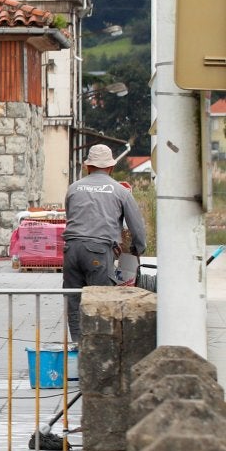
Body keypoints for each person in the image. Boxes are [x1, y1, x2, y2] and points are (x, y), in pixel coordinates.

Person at [62, 144, 148, 342]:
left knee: (74, 301)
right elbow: (137, 227)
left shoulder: (73, 188)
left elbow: (70, 216)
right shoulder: (120, 191)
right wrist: (137, 249)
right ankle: (98, 347)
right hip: (98, 252)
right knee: (101, 303)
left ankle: (77, 345)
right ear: (111, 167)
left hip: (71, 250)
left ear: (88, 167)